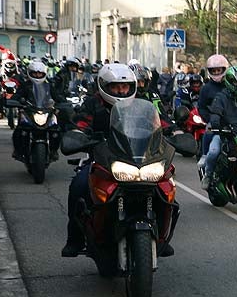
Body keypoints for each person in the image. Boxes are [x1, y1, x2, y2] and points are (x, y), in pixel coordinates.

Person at [62, 64, 176, 258]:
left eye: (124, 87)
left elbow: (161, 122)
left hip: (137, 157)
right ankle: (74, 239)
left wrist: (174, 131)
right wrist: (78, 133)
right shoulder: (93, 103)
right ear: (105, 86)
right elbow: (81, 122)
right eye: (115, 87)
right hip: (103, 158)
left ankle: (162, 238)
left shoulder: (140, 103)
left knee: (166, 186)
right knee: (78, 185)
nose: (121, 91)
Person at [11, 60, 66, 161]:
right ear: (30, 73)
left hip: (45, 111)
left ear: (44, 74)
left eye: (39, 73)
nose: (37, 75)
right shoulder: (25, 85)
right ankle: (18, 151)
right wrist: (14, 101)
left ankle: (53, 151)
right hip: (29, 112)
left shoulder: (49, 86)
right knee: (19, 131)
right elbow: (17, 95)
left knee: (56, 130)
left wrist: (63, 103)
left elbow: (57, 96)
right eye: (35, 73)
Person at [196, 53, 230, 167]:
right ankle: (205, 155)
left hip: (232, 120)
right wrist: (210, 118)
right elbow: (201, 106)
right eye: (213, 71)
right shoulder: (206, 88)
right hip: (214, 120)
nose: (216, 73)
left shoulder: (230, 86)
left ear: (224, 69)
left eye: (218, 70)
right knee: (209, 131)